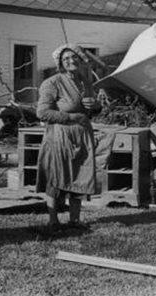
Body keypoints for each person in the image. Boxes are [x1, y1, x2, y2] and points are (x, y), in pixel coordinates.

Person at [36, 43, 99, 230]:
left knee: (80, 175)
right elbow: (42, 113)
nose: (71, 61)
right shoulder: (52, 83)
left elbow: (91, 111)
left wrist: (95, 106)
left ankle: (75, 220)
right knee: (56, 178)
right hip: (59, 138)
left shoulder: (85, 81)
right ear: (60, 63)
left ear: (80, 60)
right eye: (66, 59)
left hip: (82, 137)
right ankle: (53, 221)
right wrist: (71, 117)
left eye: (74, 57)